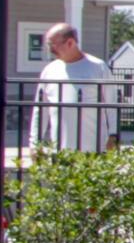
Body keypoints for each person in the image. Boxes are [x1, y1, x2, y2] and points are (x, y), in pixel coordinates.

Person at [29, 20, 118, 153]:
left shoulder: (98, 67)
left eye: (52, 44)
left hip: (93, 151)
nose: (49, 49)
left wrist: (113, 135)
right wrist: (35, 143)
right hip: (59, 151)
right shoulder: (49, 70)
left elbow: (111, 104)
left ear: (70, 43)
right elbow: (40, 110)